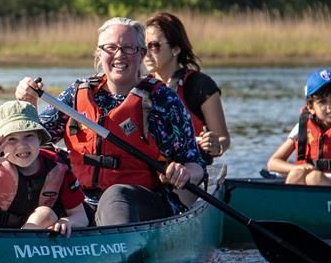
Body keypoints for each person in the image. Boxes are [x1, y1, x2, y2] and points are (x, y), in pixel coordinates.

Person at [15, 17, 205, 226]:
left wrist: (183, 172)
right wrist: (28, 103)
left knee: (115, 196)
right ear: (99, 53)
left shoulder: (164, 100)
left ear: (142, 54)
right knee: (43, 208)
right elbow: (33, 141)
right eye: (110, 48)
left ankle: (117, 251)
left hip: (141, 202)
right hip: (80, 203)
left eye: (128, 48)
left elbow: (195, 163)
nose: (119, 55)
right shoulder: (77, 93)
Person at [0, 100, 88, 234]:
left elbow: (81, 216)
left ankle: (17, 252)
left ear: (40, 139)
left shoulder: (58, 168)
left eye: (29, 136)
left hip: (28, 242)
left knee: (45, 214)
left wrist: (66, 221)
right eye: (12, 139)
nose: (22, 145)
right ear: (0, 144)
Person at [143, 12, 230, 163]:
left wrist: (215, 145)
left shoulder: (200, 84)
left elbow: (223, 139)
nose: (147, 53)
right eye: (143, 47)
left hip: (192, 172)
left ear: (176, 49)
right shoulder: (141, 87)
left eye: (154, 46)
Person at [266, 69, 331, 186]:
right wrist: (298, 168)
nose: (330, 107)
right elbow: (273, 163)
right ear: (310, 107)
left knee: (314, 178)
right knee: (296, 174)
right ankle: (291, 203)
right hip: (314, 189)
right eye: (322, 102)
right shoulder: (302, 127)